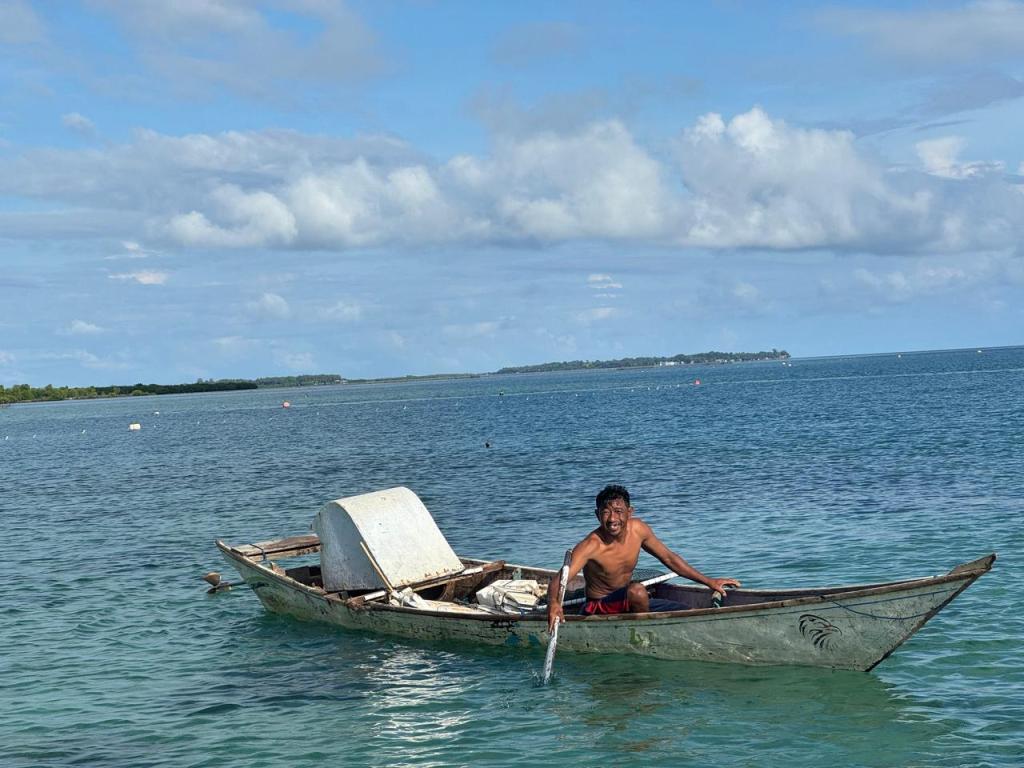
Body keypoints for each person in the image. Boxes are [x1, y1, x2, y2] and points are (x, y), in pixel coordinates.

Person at [546, 484, 740, 632]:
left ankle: (647, 621)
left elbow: (670, 559)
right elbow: (559, 580)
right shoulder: (591, 545)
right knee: (638, 591)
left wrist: (709, 581)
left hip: (629, 601)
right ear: (597, 515)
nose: (612, 519)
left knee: (688, 611)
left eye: (618, 512)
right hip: (598, 605)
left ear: (630, 512)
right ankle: (645, 634)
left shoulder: (639, 530)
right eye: (606, 512)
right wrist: (554, 604)